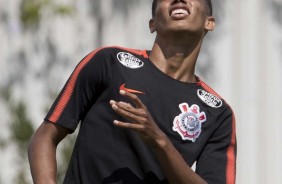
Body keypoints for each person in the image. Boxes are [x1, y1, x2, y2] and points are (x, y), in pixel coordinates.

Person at [28, 0, 236, 183]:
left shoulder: (218, 113)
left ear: (209, 22)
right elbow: (44, 138)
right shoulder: (108, 62)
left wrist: (159, 142)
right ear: (152, 24)